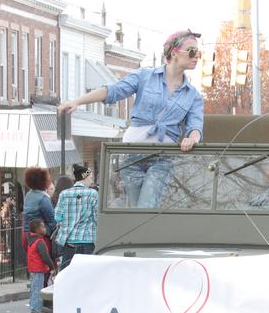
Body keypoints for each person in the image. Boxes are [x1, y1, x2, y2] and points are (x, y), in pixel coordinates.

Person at [58, 29, 204, 208]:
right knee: (135, 212)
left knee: (145, 207)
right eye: (191, 51)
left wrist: (193, 138)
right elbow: (112, 91)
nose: (196, 56)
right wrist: (77, 101)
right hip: (132, 154)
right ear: (174, 53)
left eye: (198, 53)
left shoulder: (193, 95)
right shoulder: (144, 76)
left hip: (162, 157)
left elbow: (195, 126)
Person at [54, 163, 99, 269]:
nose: (92, 181)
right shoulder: (93, 194)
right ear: (85, 177)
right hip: (87, 241)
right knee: (86, 273)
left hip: (69, 242)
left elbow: (58, 217)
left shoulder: (64, 194)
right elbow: (97, 218)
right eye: (91, 178)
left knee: (67, 273)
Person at [26, 219, 56, 313]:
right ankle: (36, 310)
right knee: (38, 289)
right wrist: (52, 266)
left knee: (34, 288)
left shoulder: (31, 240)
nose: (45, 229)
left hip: (33, 268)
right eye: (42, 227)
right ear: (37, 230)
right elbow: (45, 256)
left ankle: (34, 306)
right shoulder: (40, 242)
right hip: (39, 268)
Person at [22, 166, 56, 244]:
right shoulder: (43, 198)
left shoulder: (28, 195)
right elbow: (51, 220)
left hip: (26, 234)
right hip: (40, 236)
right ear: (44, 181)